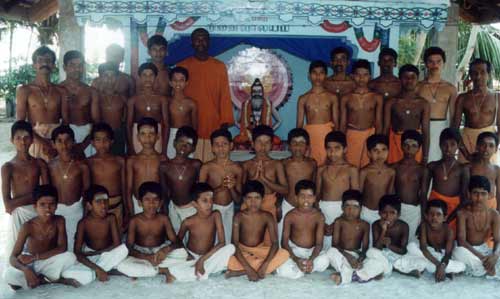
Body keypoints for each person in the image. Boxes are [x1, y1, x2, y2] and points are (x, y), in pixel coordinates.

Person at [4, 185, 79, 289]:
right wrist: (26, 270)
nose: (47, 208)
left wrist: (36, 257)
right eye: (42, 204)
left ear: (57, 206)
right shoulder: (28, 226)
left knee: (70, 257)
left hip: (47, 260)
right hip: (31, 263)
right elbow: (13, 257)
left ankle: (39, 280)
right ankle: (49, 279)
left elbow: (62, 248)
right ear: (35, 206)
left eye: (51, 204)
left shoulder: (60, 220)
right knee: (8, 275)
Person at [177, 28, 234, 162]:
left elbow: (224, 96)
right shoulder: (182, 66)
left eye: (204, 39)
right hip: (189, 128)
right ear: (192, 43)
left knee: (211, 171)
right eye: (197, 39)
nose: (200, 42)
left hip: (213, 127)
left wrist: (223, 128)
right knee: (189, 171)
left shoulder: (219, 66)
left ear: (209, 42)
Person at [117, 182, 187, 283]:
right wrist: (146, 257)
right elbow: (129, 248)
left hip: (159, 252)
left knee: (182, 254)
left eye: (155, 200)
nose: (151, 203)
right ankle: (162, 270)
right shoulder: (134, 220)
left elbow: (177, 242)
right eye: (147, 199)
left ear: (161, 203)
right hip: (140, 254)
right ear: (140, 203)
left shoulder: (164, 219)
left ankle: (144, 271)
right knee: (121, 265)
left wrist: (166, 250)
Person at [63, 185, 129, 285]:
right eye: (98, 202)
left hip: (107, 254)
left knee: (124, 250)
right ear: (89, 205)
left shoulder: (111, 218)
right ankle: (102, 270)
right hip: (91, 257)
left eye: (106, 201)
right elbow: (77, 252)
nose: (103, 205)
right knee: (68, 270)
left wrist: (97, 254)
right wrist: (96, 265)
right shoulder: (83, 223)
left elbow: (117, 245)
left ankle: (97, 271)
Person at [168, 183, 235, 281]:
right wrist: (188, 254)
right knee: (173, 254)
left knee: (231, 248)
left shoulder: (216, 215)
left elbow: (222, 243)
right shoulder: (188, 222)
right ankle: (203, 271)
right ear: (194, 204)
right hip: (191, 256)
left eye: (212, 200)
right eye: (205, 201)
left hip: (208, 256)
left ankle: (196, 272)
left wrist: (202, 260)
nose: (210, 204)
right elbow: (178, 242)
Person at [225, 180, 289, 281]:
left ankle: (242, 271)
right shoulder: (239, 216)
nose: (253, 202)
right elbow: (235, 244)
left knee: (284, 254)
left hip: (259, 250)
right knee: (227, 258)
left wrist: (265, 264)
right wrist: (248, 268)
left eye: (257, 198)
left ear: (262, 199)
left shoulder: (267, 216)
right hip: (242, 250)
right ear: (244, 199)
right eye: (249, 198)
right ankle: (253, 269)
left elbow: (275, 243)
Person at [16, 46, 68, 162]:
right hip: (33, 137)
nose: (44, 63)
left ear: (54, 65)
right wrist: (42, 141)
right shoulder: (24, 90)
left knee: (56, 175)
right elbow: (21, 123)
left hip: (57, 139)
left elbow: (65, 121)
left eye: (49, 61)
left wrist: (56, 143)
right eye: (40, 60)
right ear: (34, 65)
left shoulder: (61, 91)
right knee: (36, 175)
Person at [392, 199, 466, 281]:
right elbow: (423, 248)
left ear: (444, 218)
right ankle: (441, 270)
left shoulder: (449, 231)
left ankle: (432, 268)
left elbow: (448, 254)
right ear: (426, 215)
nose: (434, 217)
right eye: (431, 214)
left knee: (461, 266)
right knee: (411, 246)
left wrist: (442, 265)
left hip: (441, 257)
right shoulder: (424, 226)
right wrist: (438, 265)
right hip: (428, 254)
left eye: (438, 215)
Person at [2, 121, 49, 246]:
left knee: (38, 250)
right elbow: (8, 205)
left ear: (32, 140)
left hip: (38, 213)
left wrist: (39, 197)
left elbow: (47, 194)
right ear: (12, 140)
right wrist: (35, 195)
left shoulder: (40, 163)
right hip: (19, 214)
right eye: (18, 138)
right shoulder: (8, 167)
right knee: (18, 252)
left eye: (26, 137)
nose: (23, 142)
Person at [242, 125, 288, 244]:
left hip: (269, 205)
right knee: (249, 240)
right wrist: (254, 178)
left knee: (268, 241)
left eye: (267, 142)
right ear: (252, 143)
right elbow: (241, 191)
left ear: (272, 145)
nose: (263, 146)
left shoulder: (276, 164)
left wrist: (265, 179)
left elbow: (285, 189)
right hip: (248, 205)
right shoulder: (247, 165)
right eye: (259, 142)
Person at [48, 125, 90, 251]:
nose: (64, 145)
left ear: (73, 142)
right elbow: (47, 193)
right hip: (56, 211)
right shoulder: (49, 166)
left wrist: (85, 216)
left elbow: (87, 193)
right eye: (59, 141)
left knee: (74, 246)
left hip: (76, 210)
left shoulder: (82, 166)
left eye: (67, 140)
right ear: (53, 144)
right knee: (57, 246)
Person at [276, 180, 330, 279]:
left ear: (314, 198)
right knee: (282, 268)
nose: (306, 200)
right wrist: (296, 259)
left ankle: (304, 267)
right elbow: (284, 243)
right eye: (302, 196)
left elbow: (319, 244)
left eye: (310, 196)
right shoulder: (290, 216)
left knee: (324, 261)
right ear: (296, 198)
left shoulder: (319, 216)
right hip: (295, 251)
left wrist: (312, 259)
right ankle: (304, 267)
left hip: (311, 251)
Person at [317, 131, 359, 249]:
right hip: (324, 212)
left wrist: (340, 219)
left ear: (345, 149)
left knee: (341, 247)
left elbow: (355, 199)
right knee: (325, 248)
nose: (332, 152)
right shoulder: (321, 169)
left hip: (344, 212)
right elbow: (317, 196)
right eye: (329, 148)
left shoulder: (351, 169)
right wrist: (322, 220)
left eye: (337, 148)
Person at [199, 129, 243, 243]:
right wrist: (220, 188)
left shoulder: (237, 168)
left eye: (224, 144)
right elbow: (200, 195)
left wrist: (231, 187)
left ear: (231, 145)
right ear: (212, 148)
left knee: (226, 241)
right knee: (210, 241)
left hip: (229, 209)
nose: (221, 148)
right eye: (217, 145)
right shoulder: (207, 167)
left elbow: (238, 199)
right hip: (211, 209)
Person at [453, 58, 500, 163]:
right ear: (470, 75)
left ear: (489, 74)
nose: (478, 76)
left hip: (489, 143)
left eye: (482, 72)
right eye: (474, 73)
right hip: (468, 142)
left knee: (488, 177)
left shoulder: (497, 97)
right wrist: (466, 153)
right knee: (466, 177)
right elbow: (455, 128)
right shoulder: (462, 98)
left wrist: (492, 147)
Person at [452, 176, 500, 279]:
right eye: (475, 193)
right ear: (469, 194)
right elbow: (461, 241)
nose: (479, 198)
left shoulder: (494, 214)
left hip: (484, 249)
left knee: (497, 253)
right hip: (468, 250)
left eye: (483, 194)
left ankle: (482, 269)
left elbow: (498, 240)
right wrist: (482, 258)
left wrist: (495, 256)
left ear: (489, 195)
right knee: (457, 252)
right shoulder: (463, 213)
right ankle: (488, 269)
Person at [354, 195, 409, 282]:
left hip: (396, 256)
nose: (387, 216)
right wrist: (383, 231)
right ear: (379, 213)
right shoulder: (376, 225)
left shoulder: (403, 226)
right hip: (381, 255)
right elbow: (376, 247)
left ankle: (381, 270)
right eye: (384, 212)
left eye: (392, 213)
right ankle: (387, 269)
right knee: (371, 252)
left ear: (398, 214)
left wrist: (389, 246)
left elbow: (403, 251)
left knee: (412, 251)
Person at [417, 47, 457, 162]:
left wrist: (452, 136)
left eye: (438, 61)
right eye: (431, 61)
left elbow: (453, 116)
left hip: (442, 128)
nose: (435, 65)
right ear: (425, 64)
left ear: (443, 63)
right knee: (421, 162)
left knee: (439, 163)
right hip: (421, 128)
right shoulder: (418, 86)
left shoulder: (450, 88)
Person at [424, 128, 469, 232]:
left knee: (450, 239)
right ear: (440, 145)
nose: (448, 148)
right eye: (445, 144)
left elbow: (464, 198)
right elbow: (423, 193)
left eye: (453, 144)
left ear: (458, 146)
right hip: (433, 211)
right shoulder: (432, 166)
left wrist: (448, 219)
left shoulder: (463, 169)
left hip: (453, 211)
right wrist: (425, 215)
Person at [340, 59, 383, 169]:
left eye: (365, 75)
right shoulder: (346, 97)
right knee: (351, 167)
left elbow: (378, 122)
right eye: (358, 75)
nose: (361, 78)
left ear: (370, 76)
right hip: (352, 135)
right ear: (352, 76)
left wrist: (377, 141)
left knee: (369, 168)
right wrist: (341, 142)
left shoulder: (376, 97)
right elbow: (343, 123)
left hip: (370, 134)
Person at [384, 64, 430, 164]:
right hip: (395, 144)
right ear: (400, 79)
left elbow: (426, 132)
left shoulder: (423, 104)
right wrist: (384, 151)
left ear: (418, 79)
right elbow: (386, 129)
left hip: (415, 145)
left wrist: (425, 157)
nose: (409, 81)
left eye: (413, 77)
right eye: (405, 77)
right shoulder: (391, 102)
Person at [160, 126, 202, 233]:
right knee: (176, 238)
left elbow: (201, 188)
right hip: (173, 208)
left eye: (188, 144)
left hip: (192, 208)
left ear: (193, 148)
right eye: (181, 142)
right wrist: (165, 211)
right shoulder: (164, 166)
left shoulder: (196, 164)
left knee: (191, 238)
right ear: (174, 143)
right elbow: (164, 191)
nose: (184, 146)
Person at [296, 60, 338, 166]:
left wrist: (336, 142)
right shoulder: (303, 98)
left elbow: (336, 123)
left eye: (321, 73)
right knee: (312, 166)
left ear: (326, 76)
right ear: (309, 76)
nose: (318, 76)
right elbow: (299, 126)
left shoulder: (332, 97)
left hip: (328, 136)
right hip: (311, 137)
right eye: (314, 73)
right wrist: (300, 143)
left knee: (328, 166)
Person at [88, 123, 128, 230]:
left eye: (106, 140)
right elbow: (87, 188)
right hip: (96, 207)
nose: (102, 143)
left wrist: (127, 210)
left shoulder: (120, 161)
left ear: (112, 141)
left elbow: (125, 187)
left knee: (117, 237)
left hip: (116, 205)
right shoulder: (89, 162)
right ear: (92, 142)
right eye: (98, 140)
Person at [59, 50, 99, 158]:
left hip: (87, 136)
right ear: (64, 67)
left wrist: (84, 144)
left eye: (80, 65)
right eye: (72, 65)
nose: (77, 69)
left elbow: (96, 121)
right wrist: (66, 141)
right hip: (64, 139)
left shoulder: (91, 91)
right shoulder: (57, 90)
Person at [326, 190, 370, 285]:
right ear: (342, 207)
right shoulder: (339, 222)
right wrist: (348, 256)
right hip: (341, 253)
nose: (351, 210)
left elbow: (365, 248)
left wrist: (360, 259)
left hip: (356, 255)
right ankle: (353, 275)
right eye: (347, 206)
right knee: (330, 252)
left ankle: (345, 275)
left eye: (355, 207)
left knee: (371, 258)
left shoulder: (365, 225)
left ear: (361, 208)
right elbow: (335, 245)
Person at [391, 130, 427, 242]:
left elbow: (424, 194)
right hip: (397, 210)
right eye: (406, 145)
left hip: (414, 211)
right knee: (395, 241)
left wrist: (423, 218)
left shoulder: (422, 170)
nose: (409, 149)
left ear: (419, 148)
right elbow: (390, 191)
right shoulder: (394, 167)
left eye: (413, 146)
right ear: (401, 146)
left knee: (410, 242)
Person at [281, 128, 317, 239]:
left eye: (302, 143)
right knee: (283, 235)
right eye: (294, 143)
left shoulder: (312, 163)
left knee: (305, 236)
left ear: (307, 146)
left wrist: (315, 204)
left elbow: (314, 185)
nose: (298, 147)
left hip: (307, 205)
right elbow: (280, 186)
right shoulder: (283, 163)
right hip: (288, 204)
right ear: (289, 146)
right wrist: (278, 204)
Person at [127, 63, 169, 155]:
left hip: (156, 134)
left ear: (156, 77)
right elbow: (129, 125)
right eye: (144, 75)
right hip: (137, 135)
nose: (148, 78)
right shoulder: (133, 100)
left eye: (151, 75)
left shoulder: (162, 99)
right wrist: (131, 147)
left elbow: (166, 124)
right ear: (140, 77)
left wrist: (164, 150)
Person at [126, 117, 167, 215]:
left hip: (156, 204)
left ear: (157, 136)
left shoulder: (162, 159)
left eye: (151, 134)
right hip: (137, 204)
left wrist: (162, 207)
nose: (147, 138)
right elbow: (128, 190)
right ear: (138, 137)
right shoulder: (132, 160)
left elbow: (165, 187)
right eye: (143, 134)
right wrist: (131, 213)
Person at [235, 78, 282, 150]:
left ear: (262, 92)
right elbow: (235, 121)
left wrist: (270, 130)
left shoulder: (268, 104)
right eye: (254, 91)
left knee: (276, 141)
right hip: (248, 135)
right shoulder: (245, 105)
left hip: (264, 135)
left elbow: (279, 121)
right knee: (238, 140)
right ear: (251, 93)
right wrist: (244, 129)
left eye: (259, 91)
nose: (257, 93)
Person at [92, 62, 128, 156]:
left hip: (118, 134)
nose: (109, 79)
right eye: (106, 76)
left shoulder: (123, 98)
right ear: (100, 78)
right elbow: (94, 118)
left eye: (112, 76)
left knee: (118, 162)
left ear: (117, 78)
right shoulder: (96, 98)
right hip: (101, 136)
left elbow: (125, 120)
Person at [360, 134, 395, 227]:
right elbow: (359, 193)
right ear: (368, 153)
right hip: (366, 211)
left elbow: (390, 195)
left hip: (383, 214)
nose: (380, 154)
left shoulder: (391, 172)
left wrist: (387, 214)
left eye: (384, 150)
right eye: (376, 150)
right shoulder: (364, 171)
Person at [167, 66, 198, 159]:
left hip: (187, 137)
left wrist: (193, 143)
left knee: (187, 163)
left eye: (181, 80)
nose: (178, 83)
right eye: (175, 80)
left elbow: (195, 127)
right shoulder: (166, 102)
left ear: (186, 83)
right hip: (170, 136)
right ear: (170, 82)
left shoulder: (191, 103)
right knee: (171, 161)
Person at [468, 132, 500, 211]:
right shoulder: (469, 167)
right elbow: (464, 191)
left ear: (496, 149)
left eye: (491, 146)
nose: (486, 149)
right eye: (483, 145)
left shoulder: (496, 170)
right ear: (477, 147)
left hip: (491, 206)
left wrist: (498, 211)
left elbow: (499, 193)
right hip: (471, 206)